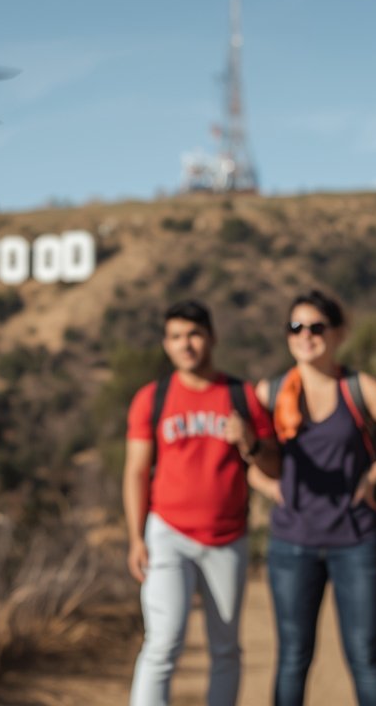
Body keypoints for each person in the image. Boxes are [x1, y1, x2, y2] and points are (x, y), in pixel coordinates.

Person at [247, 289, 376, 706]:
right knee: (293, 658)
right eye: (296, 327)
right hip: (291, 543)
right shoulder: (271, 392)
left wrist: (375, 473)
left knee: (366, 658)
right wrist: (272, 487)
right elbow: (250, 461)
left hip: (357, 541)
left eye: (317, 327)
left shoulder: (358, 388)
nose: (306, 335)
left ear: (338, 333)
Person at [123, 299, 280, 706]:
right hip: (167, 533)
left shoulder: (241, 396)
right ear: (166, 344)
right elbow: (137, 472)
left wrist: (251, 441)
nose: (186, 344)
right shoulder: (151, 398)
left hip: (228, 537)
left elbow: (274, 466)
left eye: (193, 334)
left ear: (211, 337)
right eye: (176, 337)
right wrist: (136, 538)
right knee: (163, 642)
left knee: (225, 648)